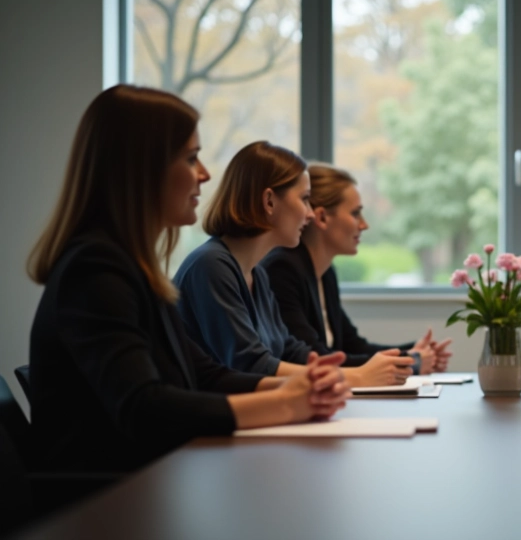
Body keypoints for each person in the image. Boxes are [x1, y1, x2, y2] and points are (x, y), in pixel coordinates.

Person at [27, 85, 349, 473]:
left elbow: (204, 374)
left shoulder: (136, 269)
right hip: (104, 512)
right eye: (191, 158)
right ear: (142, 169)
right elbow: (144, 408)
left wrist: (297, 389)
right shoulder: (95, 270)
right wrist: (285, 402)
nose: (205, 174)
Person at [174, 142, 423, 386]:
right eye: (304, 199)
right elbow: (250, 364)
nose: (310, 213)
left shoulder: (256, 272)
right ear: (269, 201)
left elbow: (288, 349)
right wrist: (356, 376)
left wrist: (328, 368)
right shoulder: (211, 266)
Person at [262, 163, 453, 373]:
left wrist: (411, 352)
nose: (364, 225)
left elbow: (352, 346)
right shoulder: (281, 269)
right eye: (355, 214)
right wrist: (412, 360)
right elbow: (314, 358)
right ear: (322, 217)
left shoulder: (325, 273)